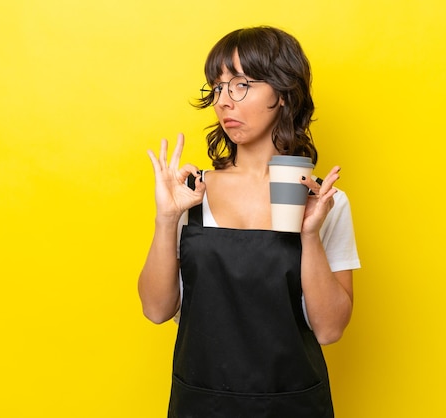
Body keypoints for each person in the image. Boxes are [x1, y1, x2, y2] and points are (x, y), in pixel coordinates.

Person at [138, 26, 360, 418]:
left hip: (293, 403)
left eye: (241, 84)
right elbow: (156, 310)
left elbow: (330, 331)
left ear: (283, 92)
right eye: (217, 88)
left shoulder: (324, 202)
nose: (224, 101)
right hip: (201, 402)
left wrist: (309, 236)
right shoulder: (190, 195)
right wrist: (166, 218)